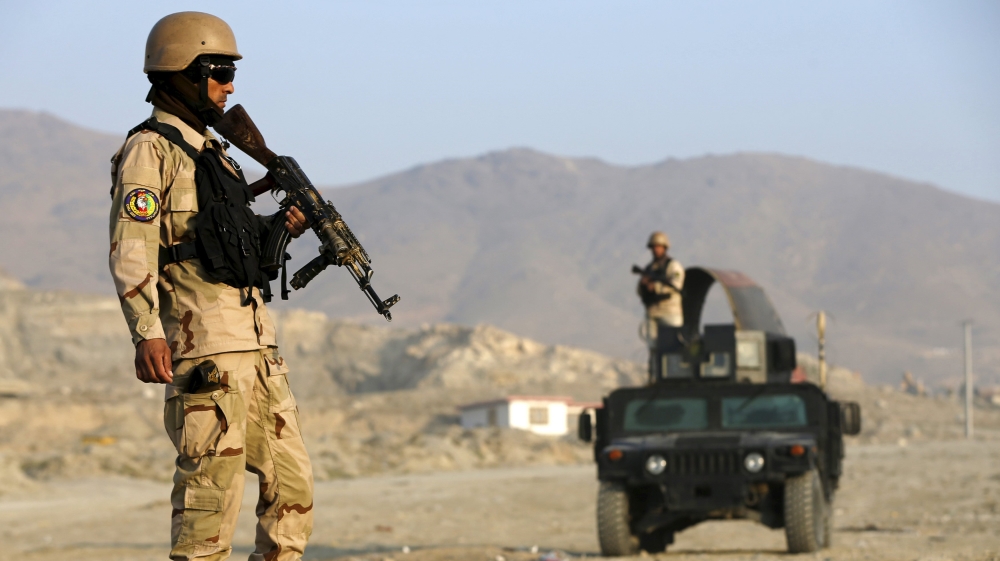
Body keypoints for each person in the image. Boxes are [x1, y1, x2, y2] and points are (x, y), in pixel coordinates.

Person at [108, 12, 313, 561]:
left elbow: (228, 251)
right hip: (205, 353)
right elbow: (133, 246)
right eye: (218, 70)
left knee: (293, 495)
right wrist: (145, 331)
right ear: (180, 73)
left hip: (256, 346)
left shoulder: (216, 156)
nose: (229, 85)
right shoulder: (149, 150)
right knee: (209, 508)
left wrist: (280, 228)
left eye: (230, 72)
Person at [636, 231, 685, 348]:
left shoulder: (673, 266)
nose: (656, 250)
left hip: (670, 311)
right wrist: (644, 285)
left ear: (664, 248)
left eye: (658, 247)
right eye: (653, 247)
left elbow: (677, 284)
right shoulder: (649, 268)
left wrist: (656, 287)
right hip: (652, 312)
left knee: (674, 346)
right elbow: (639, 291)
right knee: (653, 347)